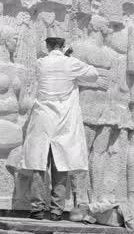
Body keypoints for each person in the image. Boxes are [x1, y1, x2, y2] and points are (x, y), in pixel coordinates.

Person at [20, 36, 102, 220]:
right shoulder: (71, 63)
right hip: (63, 119)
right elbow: (93, 74)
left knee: (38, 164)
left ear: (47, 46)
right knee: (61, 165)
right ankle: (57, 210)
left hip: (42, 117)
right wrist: (69, 58)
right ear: (63, 46)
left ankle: (37, 208)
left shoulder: (40, 63)